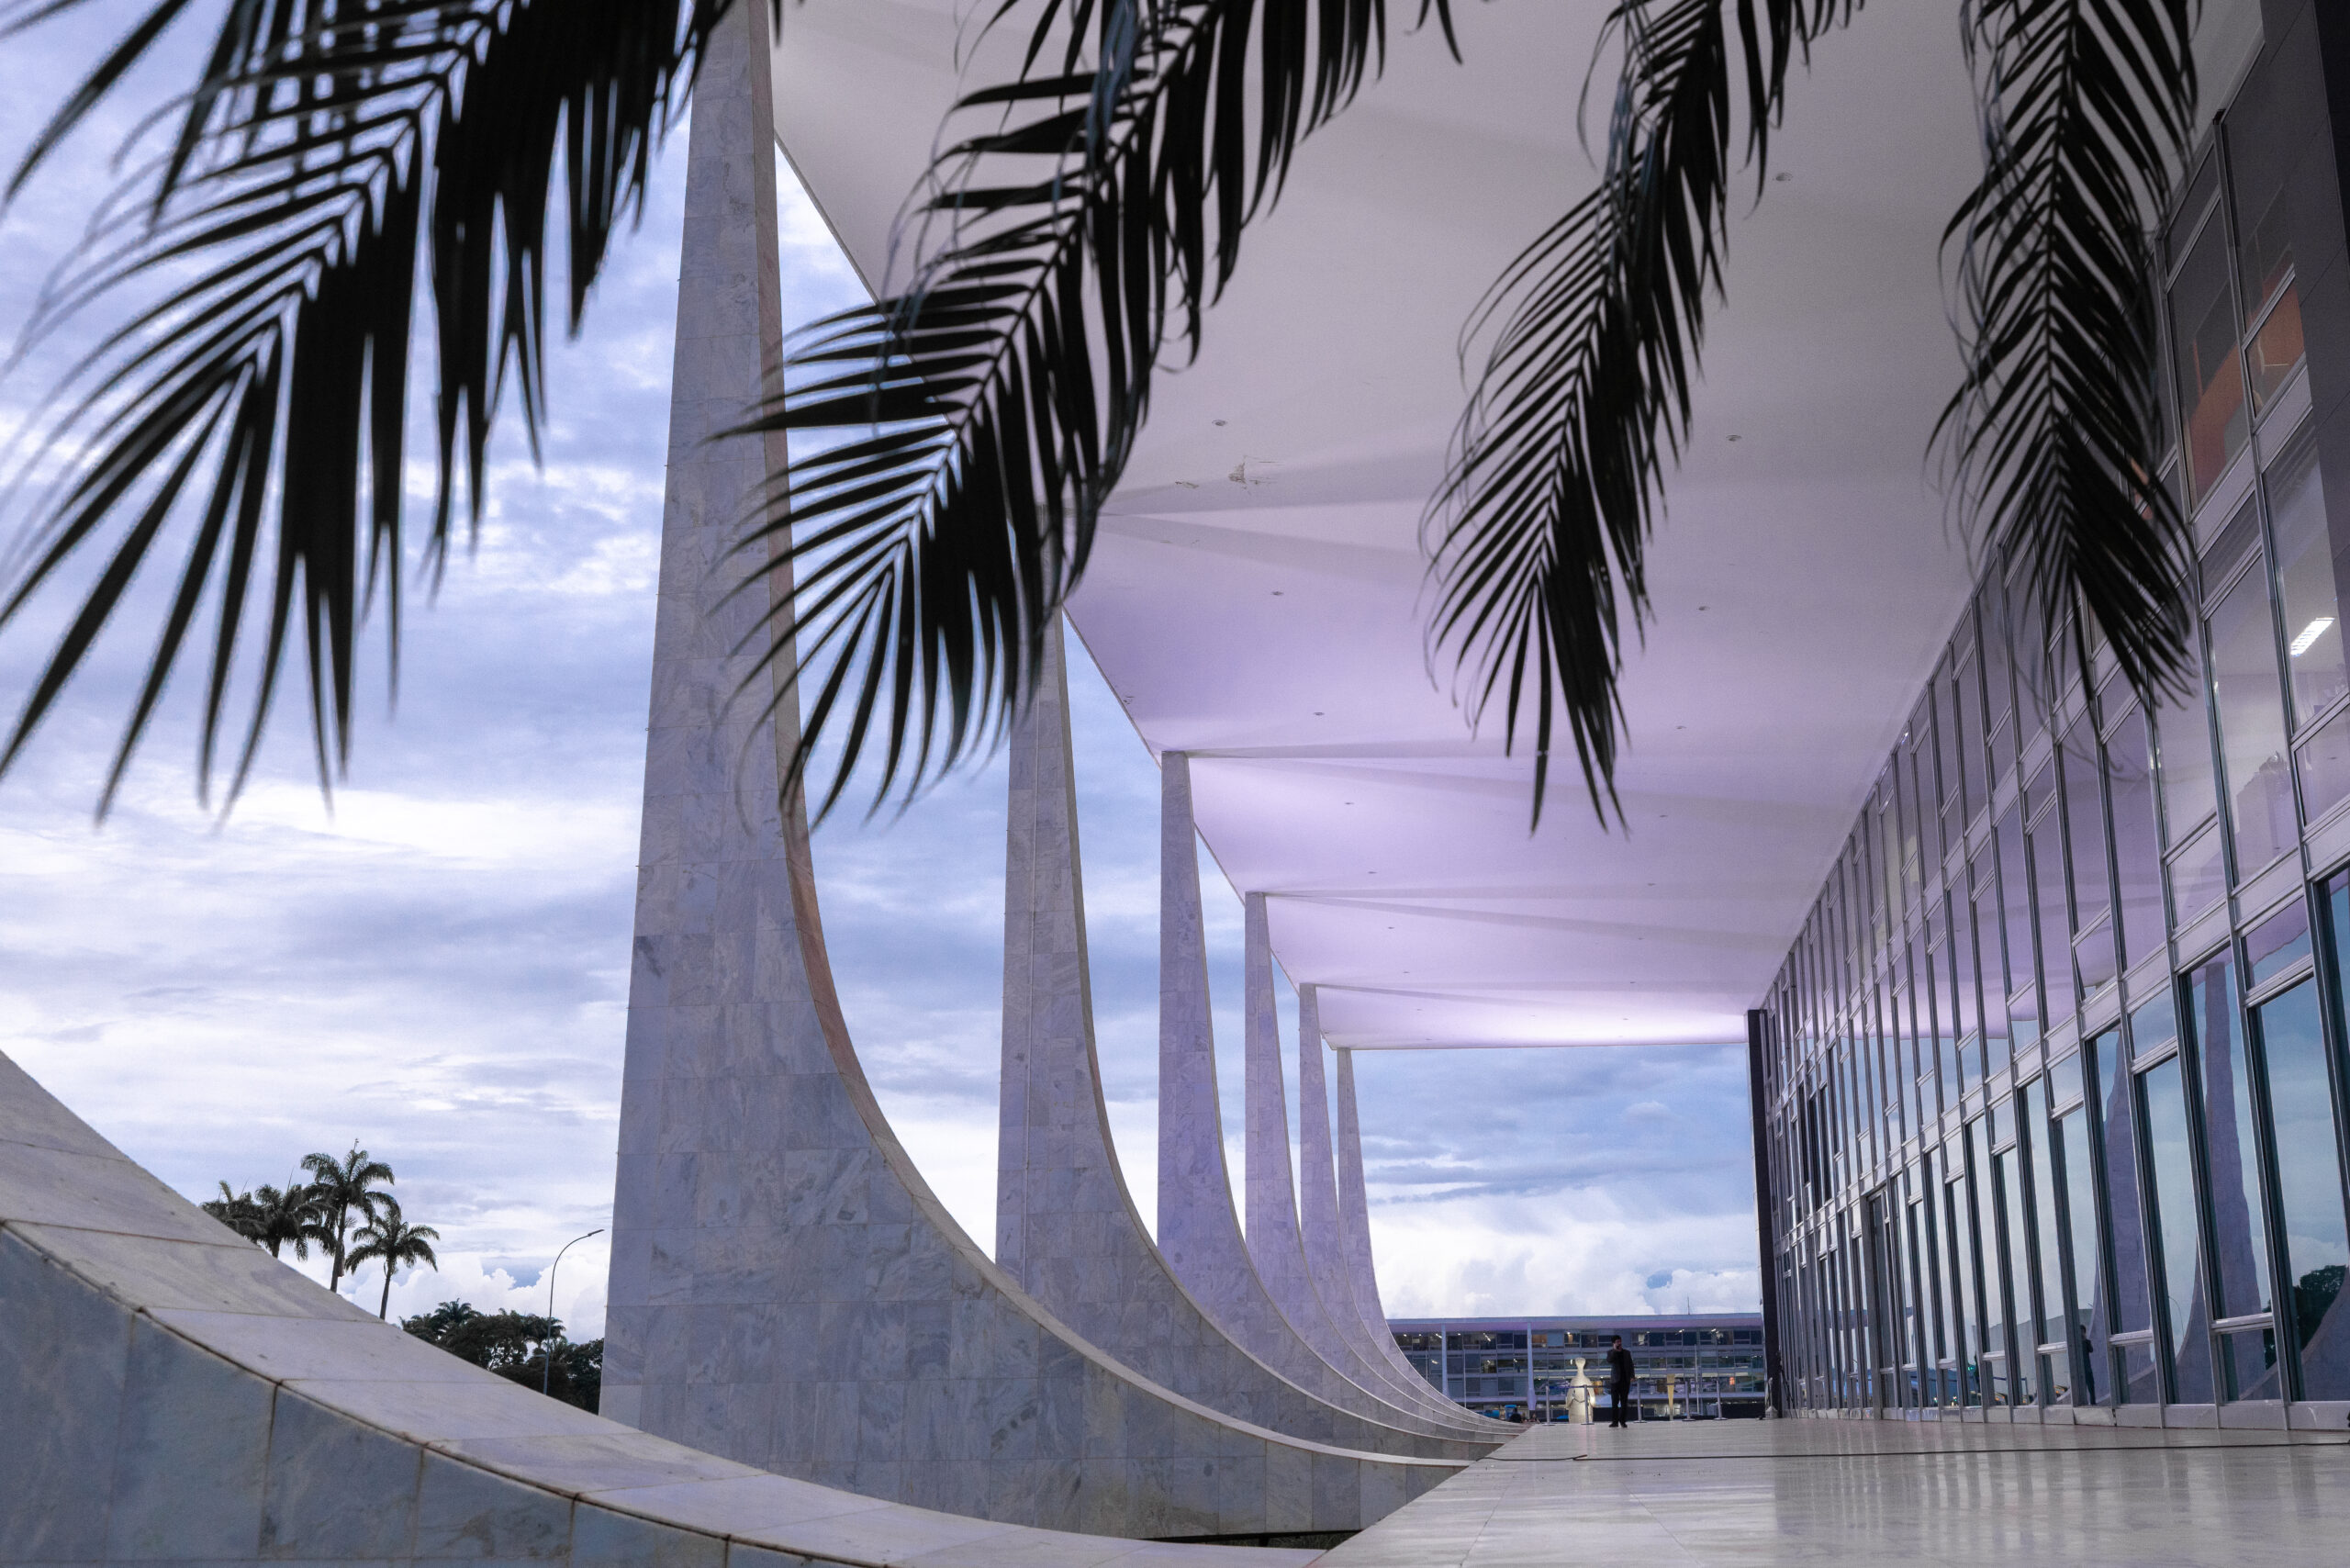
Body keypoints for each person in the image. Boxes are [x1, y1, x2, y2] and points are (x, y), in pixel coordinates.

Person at [1606, 1336, 1636, 1428]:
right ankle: (1614, 1422)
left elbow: (1631, 1365)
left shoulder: (1627, 1353)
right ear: (1613, 1343)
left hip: (1625, 1380)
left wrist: (1632, 1376)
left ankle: (1622, 1421)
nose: (1619, 1343)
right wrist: (1615, 1351)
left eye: (1620, 1341)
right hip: (1615, 1381)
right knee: (1614, 1402)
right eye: (1617, 1342)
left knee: (1624, 1402)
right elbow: (1609, 1361)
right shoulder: (1610, 1352)